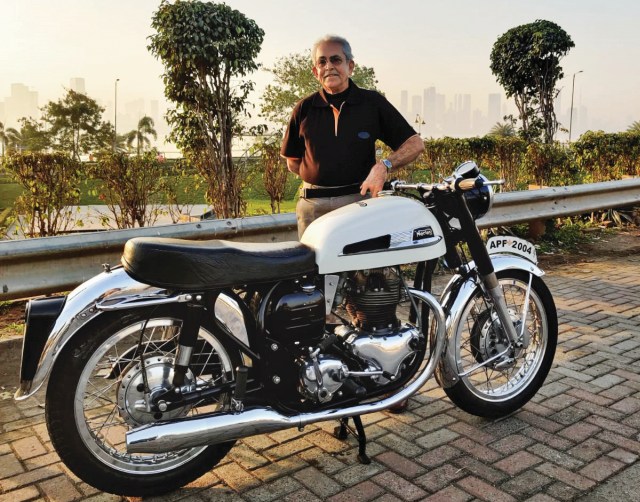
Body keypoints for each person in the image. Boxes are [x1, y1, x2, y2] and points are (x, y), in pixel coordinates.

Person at [281, 34, 425, 238]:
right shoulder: (303, 109)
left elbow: (415, 144)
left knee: (367, 269)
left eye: (336, 59)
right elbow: (293, 162)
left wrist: (384, 166)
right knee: (316, 269)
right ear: (315, 72)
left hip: (360, 204)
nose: (328, 66)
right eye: (322, 62)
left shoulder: (372, 103)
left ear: (350, 66)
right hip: (314, 207)